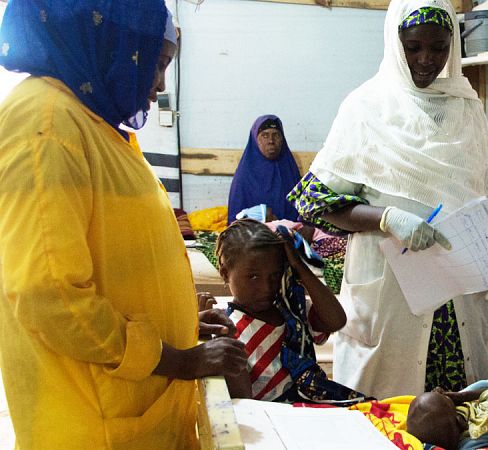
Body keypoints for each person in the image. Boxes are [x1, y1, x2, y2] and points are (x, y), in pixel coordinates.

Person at [0, 2, 248, 448]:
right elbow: (50, 294)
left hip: (135, 409)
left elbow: (116, 253)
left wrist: (182, 323)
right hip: (95, 425)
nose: (159, 86)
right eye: (156, 63)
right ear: (107, 41)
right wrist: (178, 360)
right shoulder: (46, 124)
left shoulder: (93, 123)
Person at [288, 0, 488, 399]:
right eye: (413, 46)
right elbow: (312, 201)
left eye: (440, 47)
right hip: (392, 293)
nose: (426, 60)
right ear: (395, 42)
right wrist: (386, 218)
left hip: (458, 293)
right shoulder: (366, 108)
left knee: (454, 413)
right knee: (387, 411)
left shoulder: (466, 108)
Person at [213, 219, 366, 404]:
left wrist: (300, 268)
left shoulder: (292, 312)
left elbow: (337, 321)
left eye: (275, 275)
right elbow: (241, 400)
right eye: (253, 277)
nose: (266, 287)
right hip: (270, 423)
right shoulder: (227, 328)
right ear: (224, 273)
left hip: (308, 415)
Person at [227, 115, 302, 224]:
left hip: (291, 234)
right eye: (265, 135)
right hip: (256, 236)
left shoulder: (290, 170)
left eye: (276, 135)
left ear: (282, 139)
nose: (271, 141)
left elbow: (303, 210)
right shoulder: (244, 175)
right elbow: (234, 221)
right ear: (255, 140)